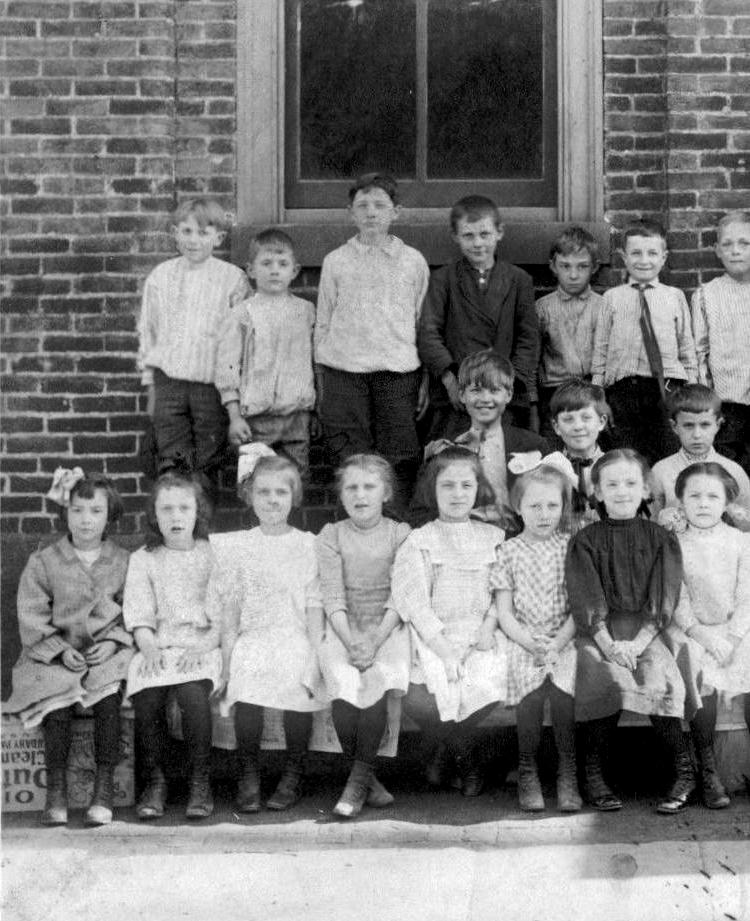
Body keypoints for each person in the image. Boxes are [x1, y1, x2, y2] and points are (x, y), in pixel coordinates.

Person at [565, 449, 695, 815]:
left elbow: (664, 593)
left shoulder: (660, 538)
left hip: (648, 632)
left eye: (630, 483)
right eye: (612, 484)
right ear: (599, 493)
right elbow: (585, 595)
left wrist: (638, 642)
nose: (622, 491)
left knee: (660, 679)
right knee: (600, 676)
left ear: (645, 490)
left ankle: (684, 774)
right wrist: (607, 643)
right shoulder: (585, 539)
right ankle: (594, 776)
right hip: (599, 632)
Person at [5, 471, 131, 827]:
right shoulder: (44, 561)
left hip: (105, 651)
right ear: (66, 514)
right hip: (55, 651)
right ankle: (56, 789)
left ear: (110, 516)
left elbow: (135, 611)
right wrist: (59, 649)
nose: (86, 519)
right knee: (56, 702)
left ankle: (103, 789)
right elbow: (31, 612)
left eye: (95, 511)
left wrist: (111, 643)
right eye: (77, 510)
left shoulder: (123, 561)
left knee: (108, 698)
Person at [390, 445, 506, 797]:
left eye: (466, 486)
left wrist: (488, 627)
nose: (458, 494)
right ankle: (467, 757)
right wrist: (444, 650)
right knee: (419, 696)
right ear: (433, 490)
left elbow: (504, 591)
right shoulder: (419, 541)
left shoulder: (494, 537)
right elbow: (414, 603)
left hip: (482, 633)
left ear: (478, 489)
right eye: (448, 486)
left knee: (489, 681)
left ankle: (445, 753)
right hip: (434, 638)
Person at [314, 173, 430, 512]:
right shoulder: (336, 261)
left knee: (399, 458)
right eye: (362, 206)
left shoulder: (412, 261)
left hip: (397, 375)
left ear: (396, 212)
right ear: (350, 212)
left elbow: (423, 325)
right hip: (345, 375)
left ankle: (396, 532)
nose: (371, 213)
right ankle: (354, 533)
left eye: (380, 205)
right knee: (351, 460)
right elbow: (323, 324)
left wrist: (424, 378)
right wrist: (323, 381)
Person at [219, 451, 327, 814]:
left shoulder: (308, 544)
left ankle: (294, 771)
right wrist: (227, 655)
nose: (272, 500)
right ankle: (248, 771)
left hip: (294, 633)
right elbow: (231, 608)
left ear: (293, 497)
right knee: (247, 672)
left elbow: (314, 605)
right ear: (250, 496)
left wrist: (316, 652)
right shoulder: (238, 546)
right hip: (254, 633)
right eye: (263, 492)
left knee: (299, 674)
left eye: (281, 492)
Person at [124, 471, 224, 821]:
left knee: (192, 694)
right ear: (155, 515)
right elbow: (139, 614)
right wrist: (148, 647)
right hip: (159, 645)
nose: (176, 517)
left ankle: (200, 779)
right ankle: (156, 780)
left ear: (198, 513)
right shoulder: (144, 558)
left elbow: (223, 615)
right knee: (148, 695)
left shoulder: (213, 555)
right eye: (166, 509)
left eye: (184, 508)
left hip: (201, 645)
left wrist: (206, 644)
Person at [316, 454, 411, 818]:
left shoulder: (400, 535)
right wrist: (351, 639)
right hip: (344, 625)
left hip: (388, 626)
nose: (360, 495)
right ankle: (365, 779)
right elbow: (332, 595)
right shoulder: (331, 536)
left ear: (385, 493)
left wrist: (374, 640)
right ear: (341, 495)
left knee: (377, 679)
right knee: (341, 680)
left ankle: (356, 783)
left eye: (369, 486)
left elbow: (401, 596)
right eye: (351, 487)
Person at [483, 463, 580, 812]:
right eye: (534, 506)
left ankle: (568, 773)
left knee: (565, 693)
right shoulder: (508, 551)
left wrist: (556, 643)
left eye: (552, 506)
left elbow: (578, 609)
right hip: (523, 640)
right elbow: (504, 613)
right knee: (531, 694)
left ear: (563, 508)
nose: (544, 514)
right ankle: (528, 770)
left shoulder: (571, 548)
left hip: (564, 637)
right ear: (518, 507)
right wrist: (530, 643)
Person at [137, 198, 251, 493]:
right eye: (186, 231)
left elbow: (240, 340)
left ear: (219, 238)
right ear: (175, 233)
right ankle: (173, 532)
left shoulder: (232, 279)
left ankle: (202, 533)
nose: (193, 240)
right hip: (169, 383)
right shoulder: (161, 277)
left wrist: (233, 395)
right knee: (172, 458)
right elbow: (148, 333)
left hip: (211, 387)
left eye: (203, 233)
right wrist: (151, 385)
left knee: (206, 460)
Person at [418, 196, 539, 438]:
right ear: (455, 236)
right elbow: (428, 333)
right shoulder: (444, 279)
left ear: (499, 232)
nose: (477, 243)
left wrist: (507, 385)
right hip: (457, 395)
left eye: (484, 234)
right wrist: (450, 379)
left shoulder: (518, 280)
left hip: (503, 395)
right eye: (468, 235)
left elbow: (529, 338)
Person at [668, 462, 750, 808]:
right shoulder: (675, 544)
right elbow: (676, 597)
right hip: (693, 630)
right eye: (694, 496)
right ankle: (708, 768)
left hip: (736, 629)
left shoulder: (742, 542)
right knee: (695, 665)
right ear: (681, 502)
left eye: (712, 496)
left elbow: (748, 594)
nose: (703, 503)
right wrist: (700, 633)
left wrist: (731, 637)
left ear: (728, 502)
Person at [591, 219, 698, 463]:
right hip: (623, 390)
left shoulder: (674, 297)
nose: (644, 260)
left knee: (668, 452)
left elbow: (686, 347)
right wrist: (598, 392)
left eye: (652, 253)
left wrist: (691, 388)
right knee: (625, 456)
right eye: (636, 253)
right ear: (624, 257)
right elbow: (601, 348)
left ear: (663, 257)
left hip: (667, 388)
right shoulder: (611, 298)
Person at [409, 350, 548, 529]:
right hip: (464, 544)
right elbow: (420, 513)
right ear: (461, 395)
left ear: (509, 395)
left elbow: (551, 506)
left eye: (494, 390)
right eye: (476, 390)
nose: (485, 399)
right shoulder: (445, 450)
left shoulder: (533, 446)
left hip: (518, 544)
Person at [215, 228, 316, 476]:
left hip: (297, 416)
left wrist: (315, 411)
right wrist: (235, 416)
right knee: (256, 480)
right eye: (266, 263)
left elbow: (316, 364)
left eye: (283, 264)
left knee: (294, 480)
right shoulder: (242, 314)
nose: (274, 270)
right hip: (256, 420)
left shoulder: (306, 312)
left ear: (294, 271)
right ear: (250, 270)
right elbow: (227, 367)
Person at [692, 210, 750, 470]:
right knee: (729, 472)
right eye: (727, 244)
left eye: (744, 243)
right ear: (717, 250)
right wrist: (707, 403)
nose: (735, 251)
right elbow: (699, 352)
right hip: (727, 405)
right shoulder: (707, 295)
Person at [535, 226, 605, 440]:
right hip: (554, 393)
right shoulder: (542, 308)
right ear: (553, 266)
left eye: (582, 266)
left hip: (594, 392)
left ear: (594, 267)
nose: (573, 275)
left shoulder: (604, 306)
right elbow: (533, 360)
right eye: (565, 266)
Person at [650, 384, 750, 525]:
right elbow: (649, 524)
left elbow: (747, 525)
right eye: (688, 425)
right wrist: (661, 519)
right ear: (674, 426)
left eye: (705, 425)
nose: (697, 435)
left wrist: (738, 517)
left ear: (718, 424)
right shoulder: (661, 471)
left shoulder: (734, 471)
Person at [542, 379, 610, 535]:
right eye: (568, 419)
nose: (578, 426)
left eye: (586, 418)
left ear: (601, 422)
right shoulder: (547, 468)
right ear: (556, 426)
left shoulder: (616, 468)